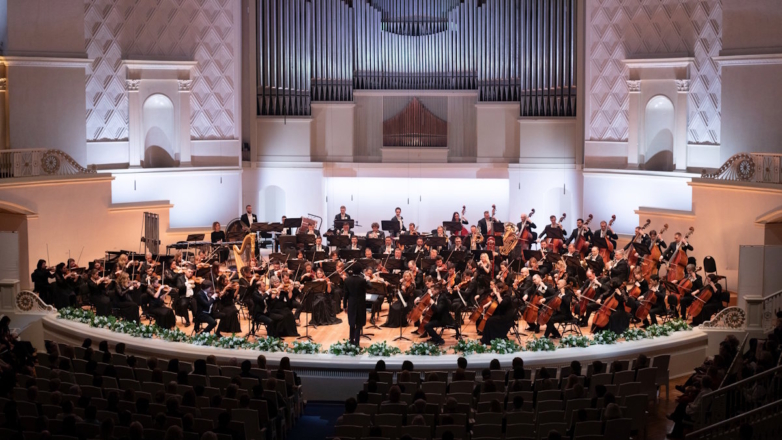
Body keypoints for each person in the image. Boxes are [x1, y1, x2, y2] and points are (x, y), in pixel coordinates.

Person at [343, 264, 371, 346]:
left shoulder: (347, 280)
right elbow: (370, 287)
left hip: (351, 303)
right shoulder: (362, 280)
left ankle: (351, 340)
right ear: (360, 271)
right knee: (358, 324)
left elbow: (345, 294)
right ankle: (357, 343)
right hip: (360, 303)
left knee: (352, 322)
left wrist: (344, 306)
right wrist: (368, 280)